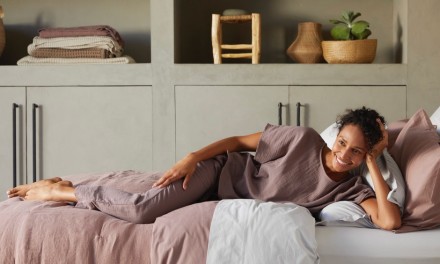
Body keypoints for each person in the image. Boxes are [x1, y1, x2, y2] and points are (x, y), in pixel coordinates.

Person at [7, 107, 402, 230]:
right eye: (342, 143)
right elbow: (236, 144)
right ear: (335, 136)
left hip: (221, 199)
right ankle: (60, 191)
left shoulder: (350, 191)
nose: (342, 154)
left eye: (355, 153)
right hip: (219, 174)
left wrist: (373, 164)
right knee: (143, 209)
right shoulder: (301, 138)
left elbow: (389, 222)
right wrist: (193, 158)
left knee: (144, 202)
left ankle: (67, 186)